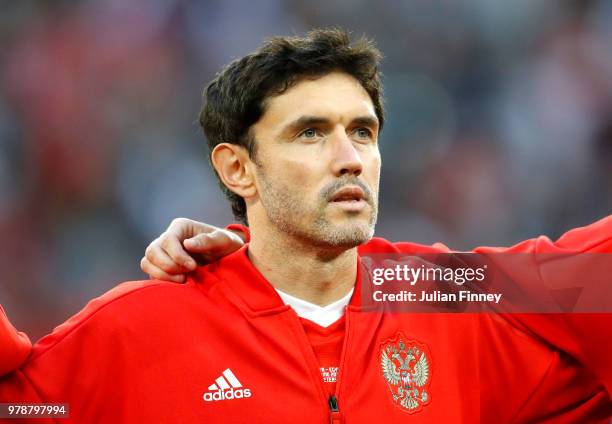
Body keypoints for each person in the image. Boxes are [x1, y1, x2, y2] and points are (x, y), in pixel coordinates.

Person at [1, 29, 611, 423]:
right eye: (310, 132)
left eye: (363, 131)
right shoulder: (136, 330)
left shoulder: (447, 294)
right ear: (238, 167)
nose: (350, 157)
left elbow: (592, 277)